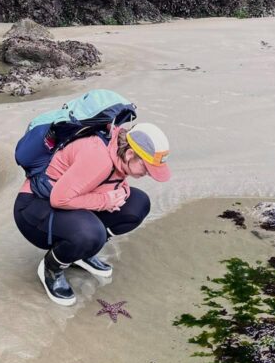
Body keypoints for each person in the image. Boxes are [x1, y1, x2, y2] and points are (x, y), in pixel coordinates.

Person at [13, 122, 171, 306]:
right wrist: (106, 201)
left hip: (64, 199)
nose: (149, 174)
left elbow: (114, 179)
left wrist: (122, 192)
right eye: (147, 168)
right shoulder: (98, 158)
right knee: (92, 234)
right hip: (33, 208)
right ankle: (51, 268)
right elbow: (59, 199)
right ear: (130, 154)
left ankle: (81, 254)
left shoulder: (118, 145)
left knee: (138, 204)